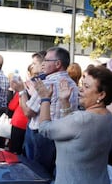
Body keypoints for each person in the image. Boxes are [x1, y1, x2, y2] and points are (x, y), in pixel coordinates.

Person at [12, 47, 78, 176]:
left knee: (37, 174)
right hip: (63, 135)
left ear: (58, 64)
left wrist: (21, 91)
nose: (43, 64)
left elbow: (28, 112)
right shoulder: (73, 84)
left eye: (47, 60)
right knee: (53, 173)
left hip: (42, 135)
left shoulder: (48, 83)